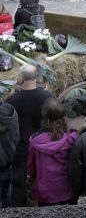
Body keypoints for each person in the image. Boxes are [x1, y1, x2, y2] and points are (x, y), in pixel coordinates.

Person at [5, 64, 53, 207]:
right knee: (43, 182)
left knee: (18, 185)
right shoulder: (47, 97)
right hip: (42, 148)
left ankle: (19, 211)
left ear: (21, 77)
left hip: (20, 150)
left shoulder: (11, 101)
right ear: (36, 77)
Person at [27, 98, 78, 206]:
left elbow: (31, 168)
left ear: (44, 115)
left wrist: (33, 179)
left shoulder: (35, 140)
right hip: (66, 189)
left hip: (44, 191)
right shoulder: (71, 138)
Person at [0, 101, 18, 208]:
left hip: (6, 165)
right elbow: (16, 138)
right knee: (6, 196)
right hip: (8, 164)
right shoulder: (11, 114)